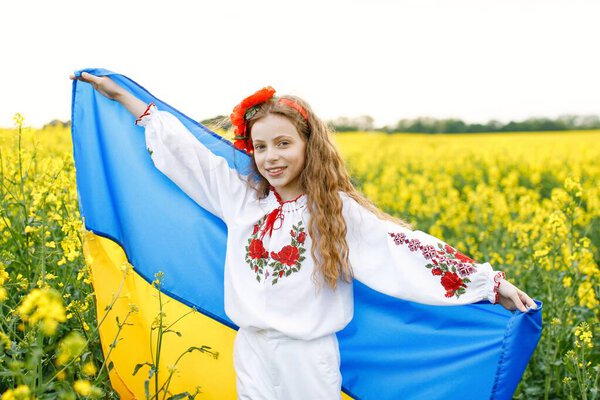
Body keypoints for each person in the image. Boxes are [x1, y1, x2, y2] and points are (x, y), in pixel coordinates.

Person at [70, 72, 538, 400]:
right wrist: (122, 98)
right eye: (260, 147)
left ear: (308, 145)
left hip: (307, 359)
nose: (271, 157)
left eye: (283, 143)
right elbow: (187, 156)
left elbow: (404, 250)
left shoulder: (335, 212)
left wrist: (489, 285)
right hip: (250, 349)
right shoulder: (241, 200)